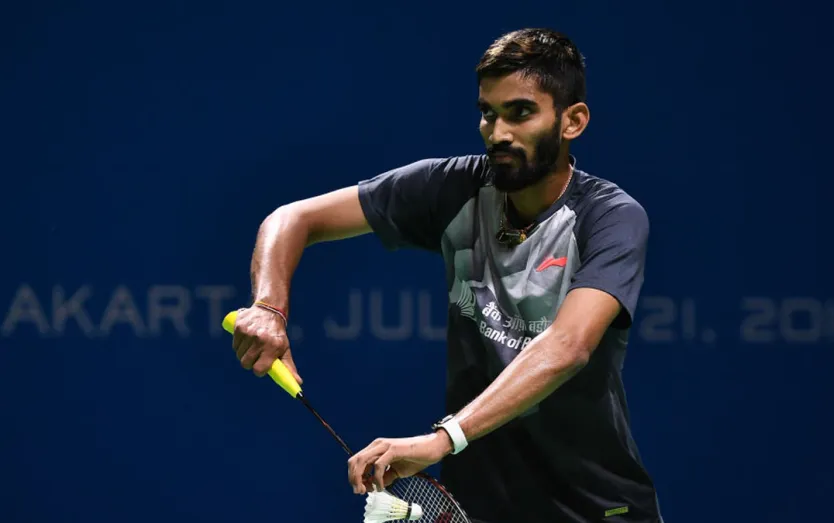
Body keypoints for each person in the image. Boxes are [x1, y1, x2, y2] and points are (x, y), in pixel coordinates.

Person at [231, 28, 664, 523]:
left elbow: (568, 346)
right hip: (478, 505)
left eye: (520, 112)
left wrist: (443, 439)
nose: (498, 133)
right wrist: (268, 307)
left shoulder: (610, 217)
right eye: (488, 113)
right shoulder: (456, 187)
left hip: (594, 505)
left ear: (573, 121)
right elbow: (292, 219)